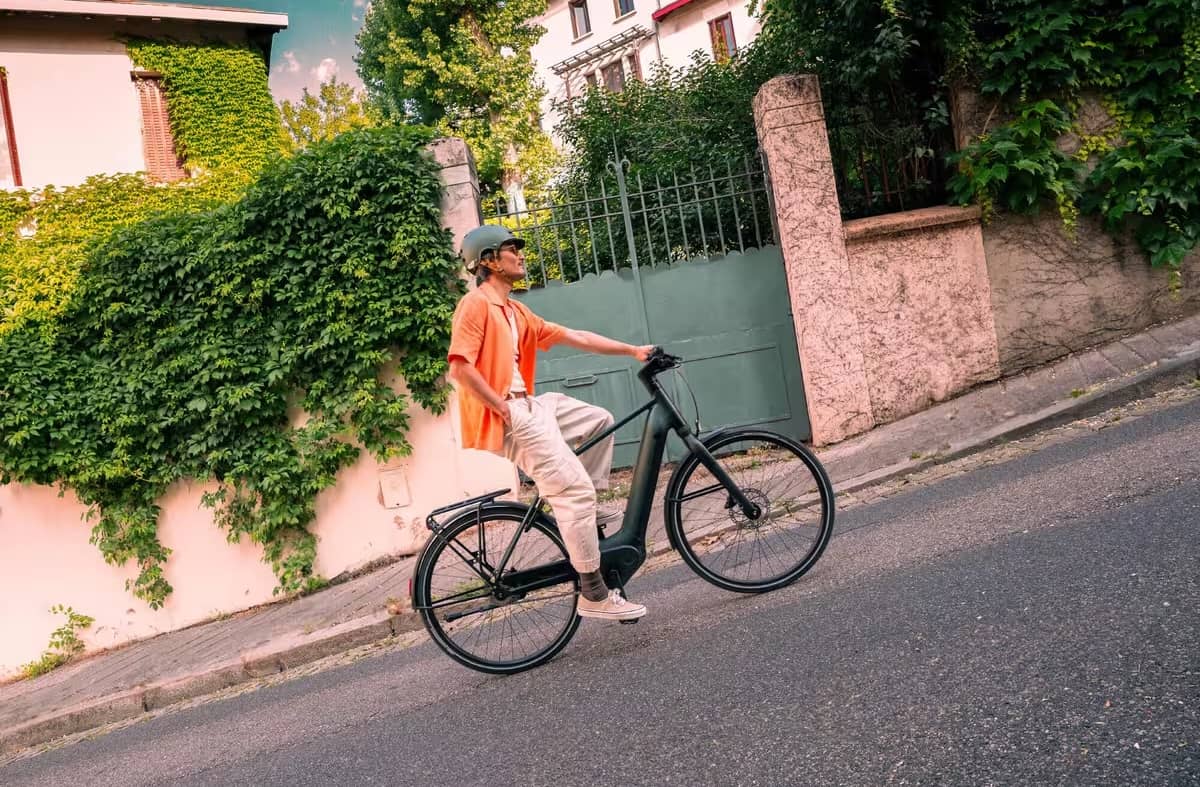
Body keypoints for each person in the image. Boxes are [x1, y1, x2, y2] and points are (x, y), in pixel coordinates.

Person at [447, 225, 652, 621]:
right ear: (489, 261)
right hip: (508, 413)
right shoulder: (474, 305)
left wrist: (632, 350)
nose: (520, 255)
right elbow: (460, 368)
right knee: (574, 492)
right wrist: (503, 409)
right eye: (511, 250)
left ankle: (580, 514)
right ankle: (594, 594)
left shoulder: (515, 310)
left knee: (598, 421)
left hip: (530, 405)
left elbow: (573, 335)